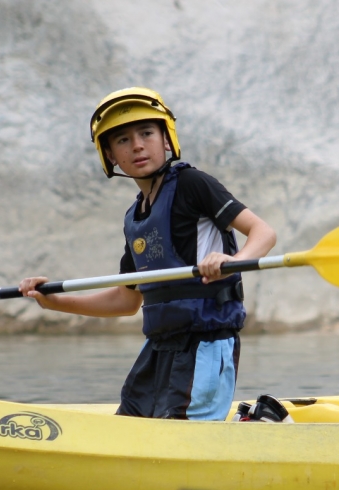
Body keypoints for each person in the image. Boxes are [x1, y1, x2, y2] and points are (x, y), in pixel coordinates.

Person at [19, 87, 276, 420]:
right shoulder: (134, 218)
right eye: (123, 140)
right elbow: (127, 300)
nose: (137, 145)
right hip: (159, 346)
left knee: (180, 432)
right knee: (129, 420)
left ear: (166, 139)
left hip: (206, 343)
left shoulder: (193, 184)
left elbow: (263, 233)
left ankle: (258, 426)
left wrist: (231, 262)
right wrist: (54, 301)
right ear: (109, 154)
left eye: (146, 133)